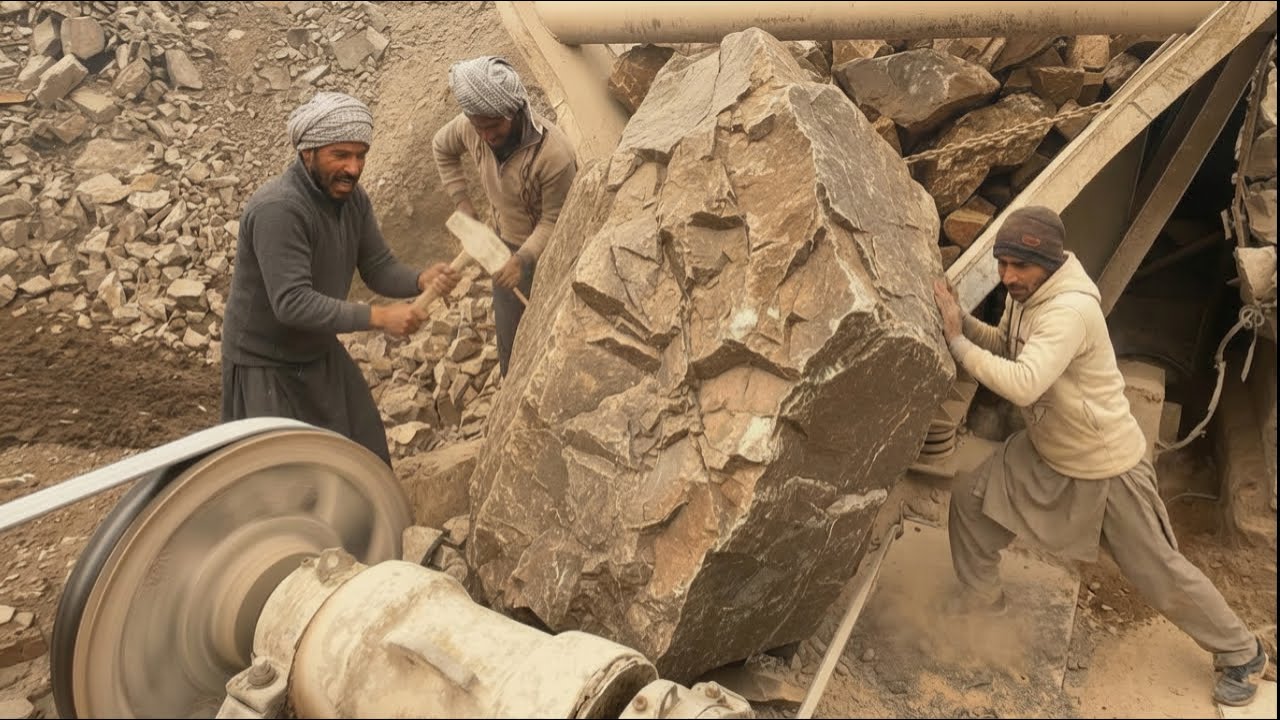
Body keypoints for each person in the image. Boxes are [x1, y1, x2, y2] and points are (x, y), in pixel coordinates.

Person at [932, 206, 1267, 707]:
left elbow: (1023, 384)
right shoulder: (1026, 295)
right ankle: (983, 607)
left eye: (1019, 266)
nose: (1007, 276)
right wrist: (962, 323)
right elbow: (1006, 345)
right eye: (1002, 264)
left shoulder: (1069, 311)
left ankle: (1244, 653)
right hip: (1050, 449)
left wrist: (957, 342)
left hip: (1104, 466)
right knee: (971, 503)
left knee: (1159, 573)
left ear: (1048, 261)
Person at [221, 92, 459, 466]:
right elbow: (292, 303)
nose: (353, 167)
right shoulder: (279, 210)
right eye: (341, 155)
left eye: (361, 155)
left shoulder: (352, 200)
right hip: (265, 365)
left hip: (317, 351)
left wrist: (420, 280)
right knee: (285, 476)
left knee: (365, 453)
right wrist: (380, 317)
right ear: (308, 153)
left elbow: (378, 266)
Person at [432, 56, 577, 376]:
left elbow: (555, 221)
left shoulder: (555, 155)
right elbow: (442, 147)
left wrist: (522, 260)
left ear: (512, 111)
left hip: (552, 254)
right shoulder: (472, 127)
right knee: (512, 348)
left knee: (557, 342)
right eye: (479, 127)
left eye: (494, 126)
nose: (486, 136)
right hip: (503, 250)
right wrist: (463, 204)